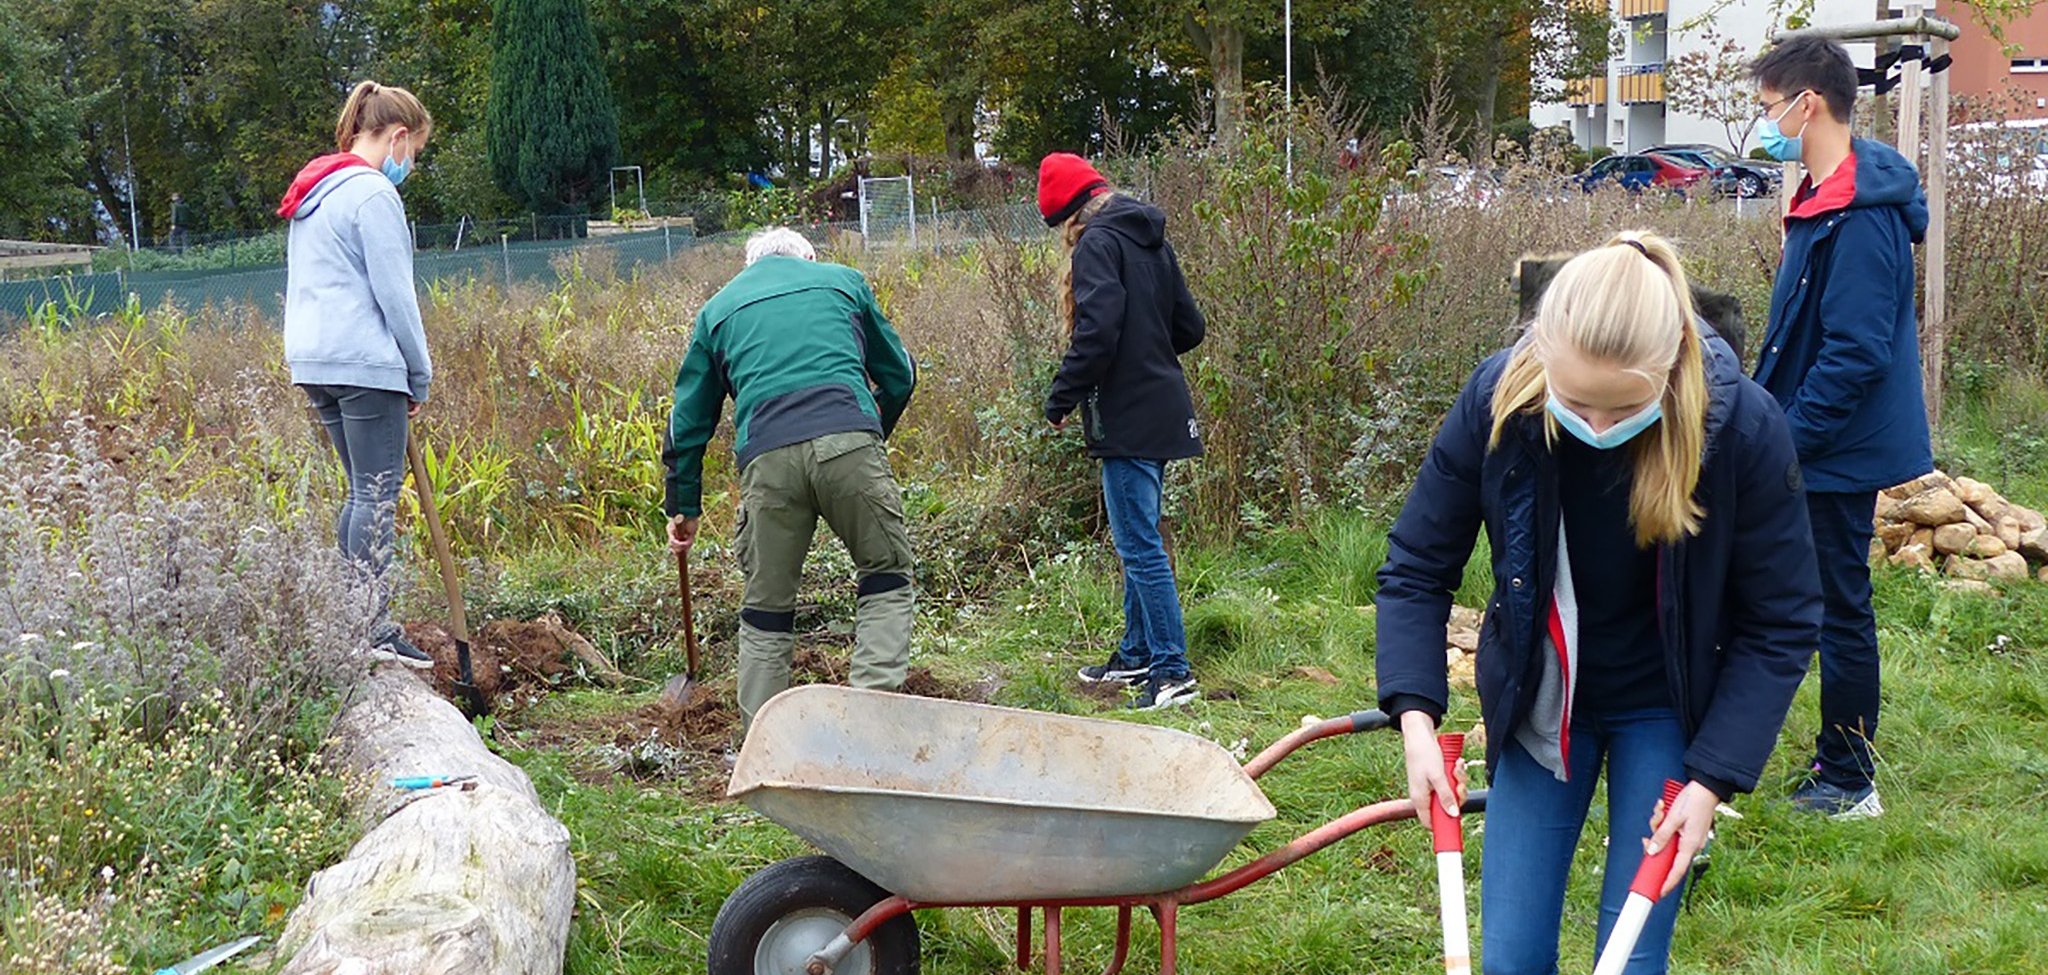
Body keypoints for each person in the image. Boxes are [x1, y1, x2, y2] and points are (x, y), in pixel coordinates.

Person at [1375, 233, 1821, 974]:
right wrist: (1417, 722)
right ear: (1543, 356)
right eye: (1579, 403)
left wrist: (1711, 779)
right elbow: (1418, 564)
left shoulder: (1741, 426)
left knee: (1631, 958)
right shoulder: (1497, 402)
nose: (1601, 429)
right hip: (1542, 697)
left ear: (1670, 368)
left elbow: (1782, 620)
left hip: (1667, 705)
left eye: (1625, 408)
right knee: (1511, 957)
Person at [1751, 36, 1932, 819]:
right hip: (1809, 439)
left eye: (1767, 108)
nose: (1765, 124)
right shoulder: (1827, 192)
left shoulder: (1861, 213)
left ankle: (1851, 778)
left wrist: (1784, 441)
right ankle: (1804, 752)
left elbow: (1854, 353)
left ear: (1808, 103)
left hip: (1832, 446)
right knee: (1804, 598)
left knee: (1838, 605)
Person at [662, 228, 918, 728]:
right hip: (849, 441)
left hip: (767, 459)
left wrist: (685, 504)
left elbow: (688, 418)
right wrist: (867, 437)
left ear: (749, 265)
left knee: (766, 608)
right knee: (886, 574)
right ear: (809, 257)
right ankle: (868, 724)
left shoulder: (717, 311)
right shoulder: (843, 282)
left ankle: (765, 749)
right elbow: (900, 375)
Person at [1037, 152, 1206, 711]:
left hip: (1129, 412)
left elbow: (1098, 328)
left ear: (1069, 215)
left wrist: (1061, 398)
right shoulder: (1147, 236)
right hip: (1162, 404)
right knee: (1138, 537)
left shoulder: (1097, 244)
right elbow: (1190, 326)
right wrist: (1149, 355)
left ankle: (1172, 669)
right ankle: (1136, 654)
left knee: (1138, 545)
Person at [279, 80, 435, 668]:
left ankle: (352, 617)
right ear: (397, 137)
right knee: (375, 494)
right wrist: (417, 375)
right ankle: (373, 627)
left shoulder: (314, 190)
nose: (409, 163)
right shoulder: (371, 195)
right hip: (364, 363)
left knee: (358, 492)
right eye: (413, 151)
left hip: (314, 360)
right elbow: (397, 296)